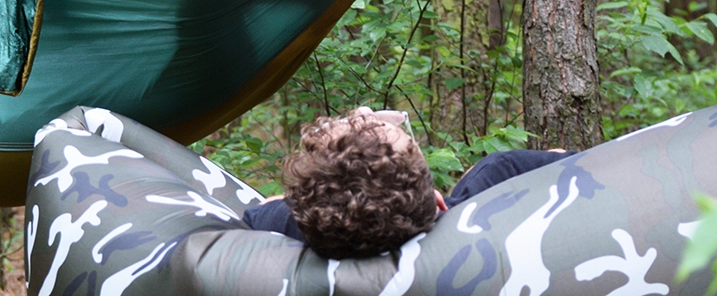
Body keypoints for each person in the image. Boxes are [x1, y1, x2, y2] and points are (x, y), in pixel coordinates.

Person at [242, 107, 574, 259]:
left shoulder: (287, 223)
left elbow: (266, 210)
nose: (364, 109)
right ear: (437, 200)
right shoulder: (492, 182)